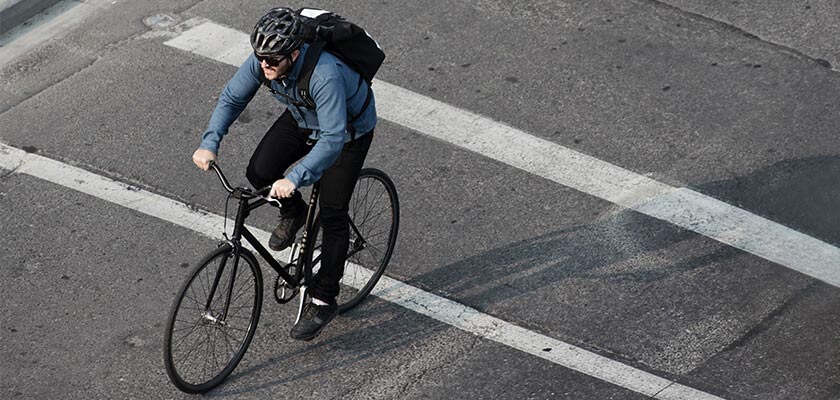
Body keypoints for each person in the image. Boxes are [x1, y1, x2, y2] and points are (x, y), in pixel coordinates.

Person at [191, 7, 376, 341]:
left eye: (272, 59)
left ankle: (323, 300)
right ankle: (295, 213)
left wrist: (296, 177)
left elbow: (333, 138)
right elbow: (233, 97)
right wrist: (210, 142)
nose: (264, 65)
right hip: (303, 115)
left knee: (333, 213)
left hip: (347, 131)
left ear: (294, 53)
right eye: (261, 57)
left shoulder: (325, 75)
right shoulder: (266, 61)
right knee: (259, 171)